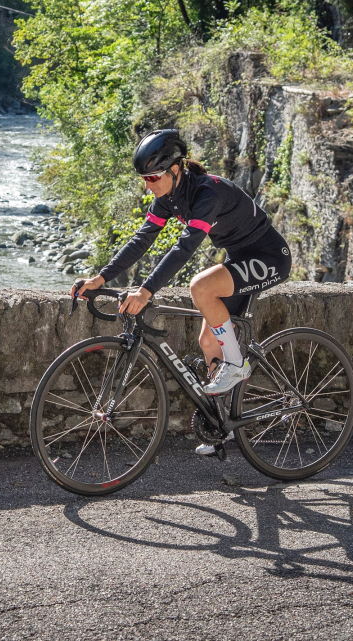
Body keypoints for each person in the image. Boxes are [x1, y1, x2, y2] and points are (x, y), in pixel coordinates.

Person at [72, 129, 292, 455]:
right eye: (144, 178)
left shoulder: (208, 194)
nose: (148, 184)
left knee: (200, 286)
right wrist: (100, 279)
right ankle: (223, 427)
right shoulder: (169, 196)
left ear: (176, 169)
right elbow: (143, 239)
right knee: (207, 340)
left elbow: (185, 248)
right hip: (240, 258)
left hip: (268, 257)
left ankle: (237, 364)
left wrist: (145, 292)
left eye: (153, 177)